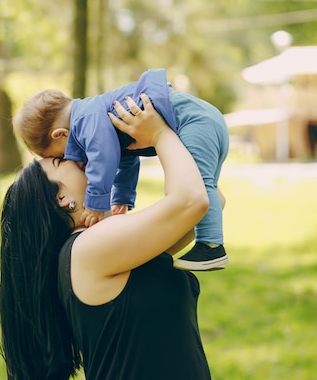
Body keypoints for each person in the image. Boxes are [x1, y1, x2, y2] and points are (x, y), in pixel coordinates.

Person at [0, 94, 219, 380]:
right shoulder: (89, 249)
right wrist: (158, 133)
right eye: (63, 161)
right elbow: (191, 200)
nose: (76, 152)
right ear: (61, 199)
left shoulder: (109, 238)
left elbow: (206, 201)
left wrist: (165, 140)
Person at [12, 68, 229, 271]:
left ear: (60, 134)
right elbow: (126, 158)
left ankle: (211, 246)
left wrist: (96, 202)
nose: (74, 161)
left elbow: (104, 155)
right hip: (200, 121)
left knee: (202, 184)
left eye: (60, 157)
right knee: (204, 185)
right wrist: (123, 196)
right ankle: (209, 242)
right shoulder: (96, 121)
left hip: (192, 121)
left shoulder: (87, 119)